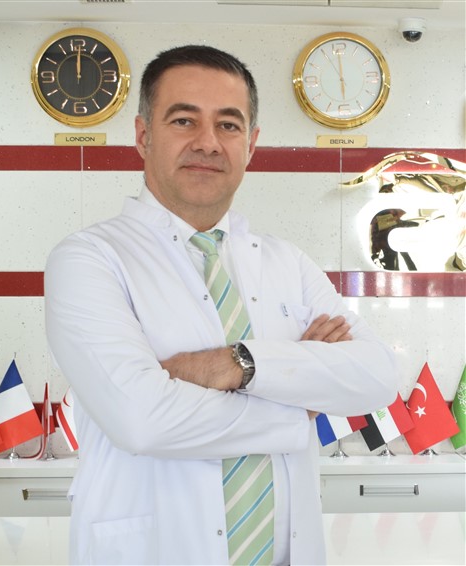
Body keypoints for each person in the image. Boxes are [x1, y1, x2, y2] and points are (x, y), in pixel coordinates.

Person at [45, 45, 398, 565]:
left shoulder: (287, 262)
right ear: (143, 135)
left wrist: (237, 365)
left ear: (250, 145)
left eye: (228, 125)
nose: (208, 142)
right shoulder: (88, 259)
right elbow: (143, 420)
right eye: (184, 120)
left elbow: (377, 376)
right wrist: (298, 404)